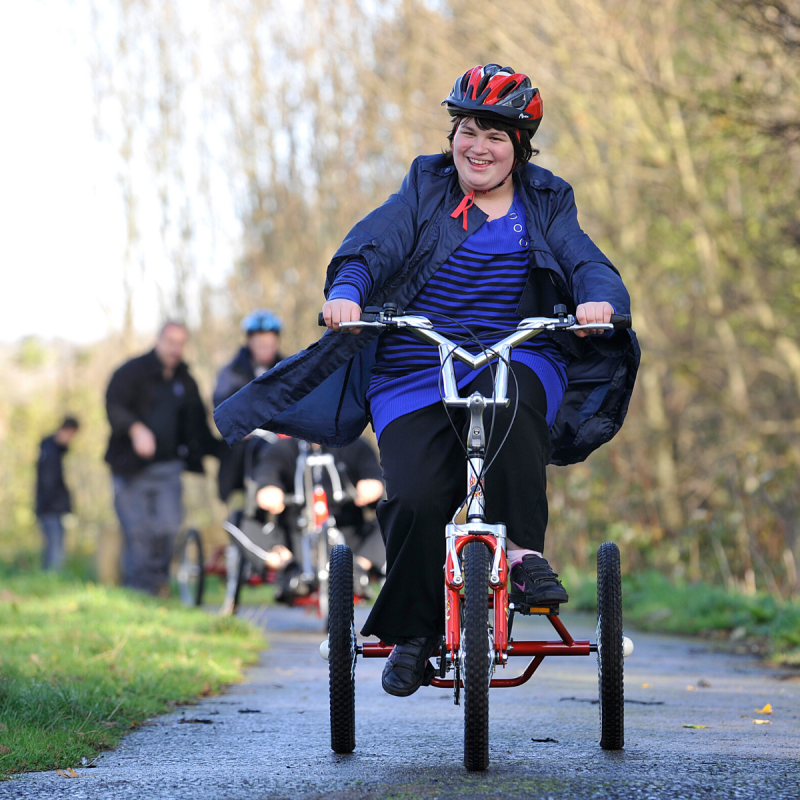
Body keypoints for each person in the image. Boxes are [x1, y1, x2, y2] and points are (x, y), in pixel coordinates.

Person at [214, 64, 640, 697]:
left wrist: (597, 301)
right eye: (468, 129)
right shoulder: (425, 186)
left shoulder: (546, 199)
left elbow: (585, 260)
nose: (479, 146)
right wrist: (348, 292)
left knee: (513, 402)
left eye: (496, 135)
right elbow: (375, 243)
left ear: (519, 146)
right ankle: (414, 632)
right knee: (412, 492)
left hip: (515, 351)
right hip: (417, 359)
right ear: (453, 136)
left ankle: (521, 554)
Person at [105, 321, 224, 595]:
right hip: (130, 470)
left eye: (180, 343)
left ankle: (157, 583)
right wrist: (135, 429)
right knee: (138, 533)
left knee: (168, 527)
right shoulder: (131, 372)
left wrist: (230, 444)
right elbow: (114, 406)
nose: (175, 348)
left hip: (169, 469)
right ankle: (139, 591)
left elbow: (199, 428)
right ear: (158, 340)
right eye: (170, 341)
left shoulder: (186, 381)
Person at [253, 436, 385, 599]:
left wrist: (374, 484)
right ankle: (288, 568)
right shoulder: (282, 449)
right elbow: (267, 471)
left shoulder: (354, 445)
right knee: (237, 520)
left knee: (398, 514)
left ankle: (358, 567)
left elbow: (374, 473)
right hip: (295, 540)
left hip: (352, 537)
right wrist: (268, 487)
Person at [213, 309, 284, 503]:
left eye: (269, 344)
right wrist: (237, 425)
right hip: (246, 451)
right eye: (260, 344)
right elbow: (221, 402)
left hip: (282, 444)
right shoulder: (232, 373)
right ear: (249, 342)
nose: (265, 349)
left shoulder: (288, 365)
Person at [35, 416, 80, 570]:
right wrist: (58, 503)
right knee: (55, 547)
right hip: (50, 508)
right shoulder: (50, 451)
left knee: (52, 545)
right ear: (67, 430)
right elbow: (49, 482)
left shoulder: (52, 450)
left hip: (50, 506)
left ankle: (48, 580)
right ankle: (51, 581)